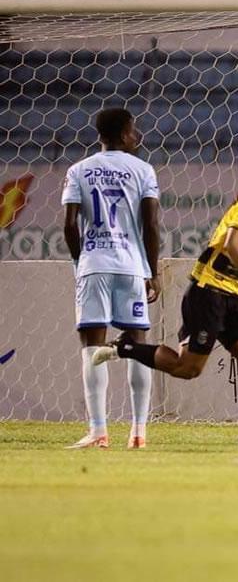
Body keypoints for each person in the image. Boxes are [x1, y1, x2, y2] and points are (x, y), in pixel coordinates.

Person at [93, 158, 238, 452]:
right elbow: (232, 245)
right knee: (187, 368)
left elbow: (237, 260)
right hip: (208, 294)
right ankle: (126, 347)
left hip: (233, 298)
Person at [62, 107, 161, 449]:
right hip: (132, 267)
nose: (137, 136)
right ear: (122, 134)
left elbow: (69, 225)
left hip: (94, 266)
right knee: (138, 346)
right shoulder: (143, 170)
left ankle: (99, 431)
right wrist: (152, 273)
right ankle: (139, 432)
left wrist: (81, 261)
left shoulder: (78, 170)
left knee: (92, 348)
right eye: (134, 130)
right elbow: (151, 225)